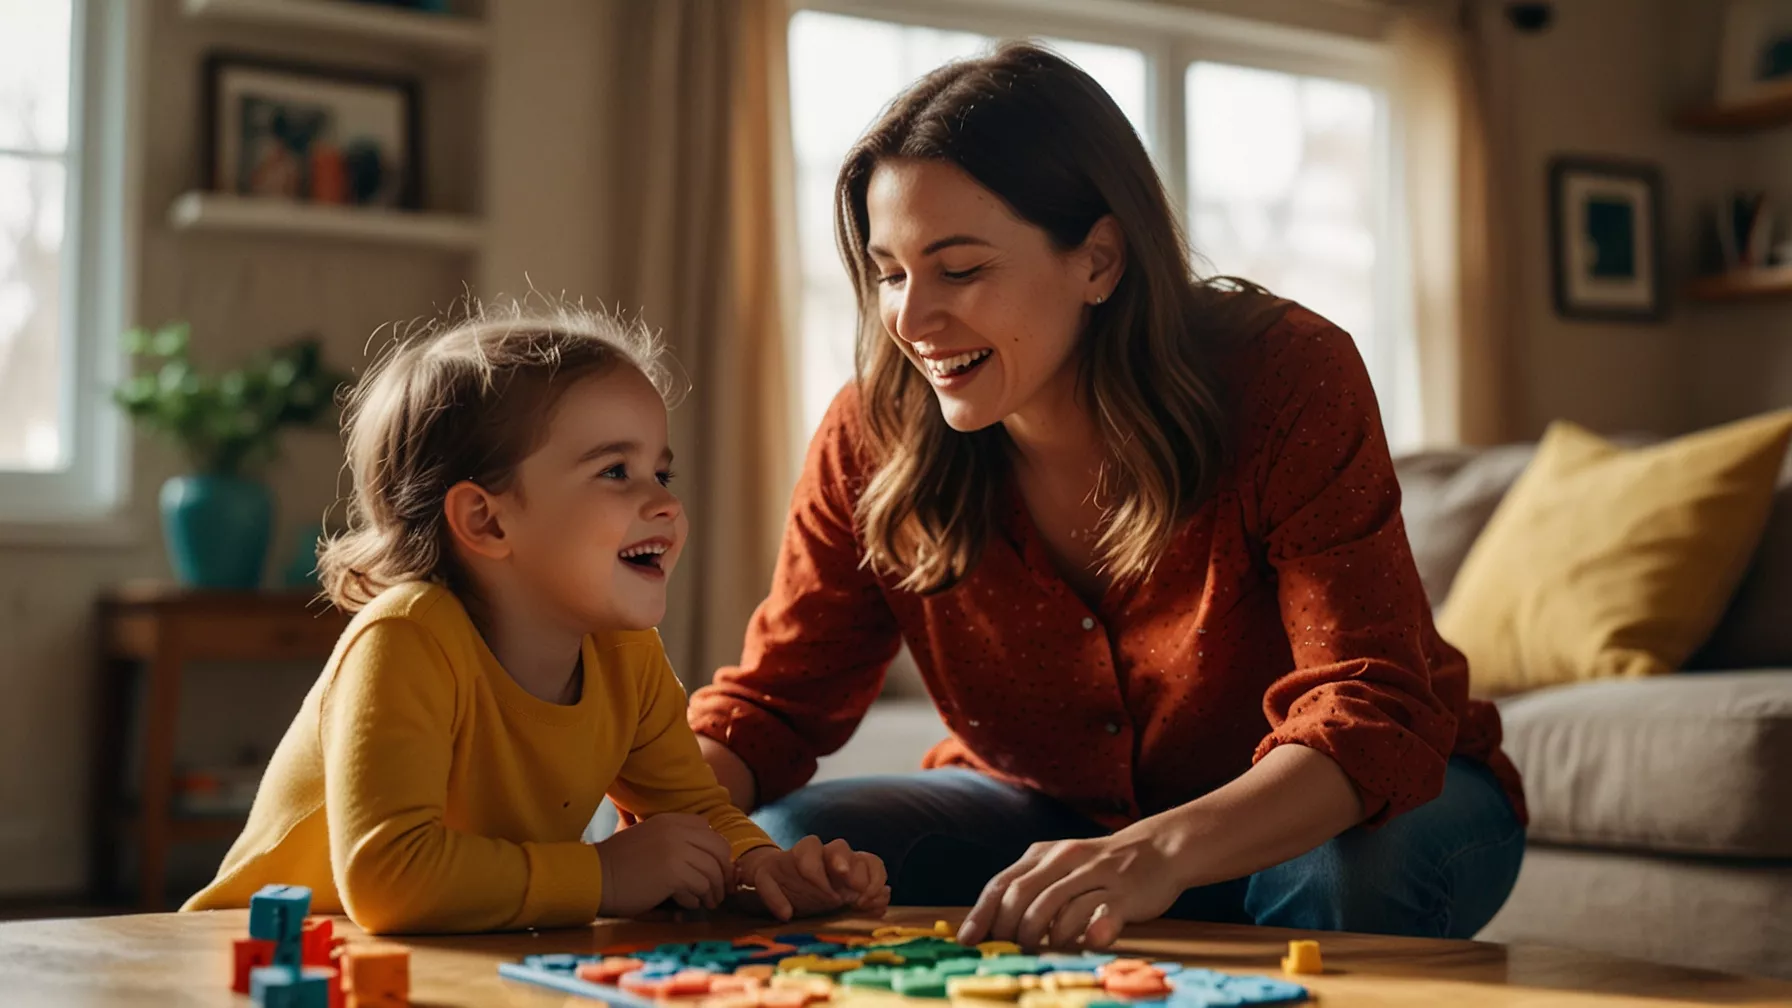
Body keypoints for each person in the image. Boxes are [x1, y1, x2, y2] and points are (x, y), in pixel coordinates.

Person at [689, 43, 1526, 950]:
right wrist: (657, 825)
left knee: (1337, 877)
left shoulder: (1287, 376)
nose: (911, 321)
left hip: (1348, 806)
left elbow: (1368, 712)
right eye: (890, 272)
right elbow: (772, 707)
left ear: (1098, 260)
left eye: (959, 270)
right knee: (780, 842)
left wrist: (1154, 854)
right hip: (1048, 808)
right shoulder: (872, 431)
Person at [182, 303, 888, 933]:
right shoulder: (404, 640)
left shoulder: (625, 653)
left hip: (445, 956)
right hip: (269, 959)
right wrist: (603, 875)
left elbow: (695, 811)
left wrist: (764, 870)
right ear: (486, 521)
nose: (666, 504)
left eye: (661, 473)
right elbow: (389, 877)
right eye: (615, 472)